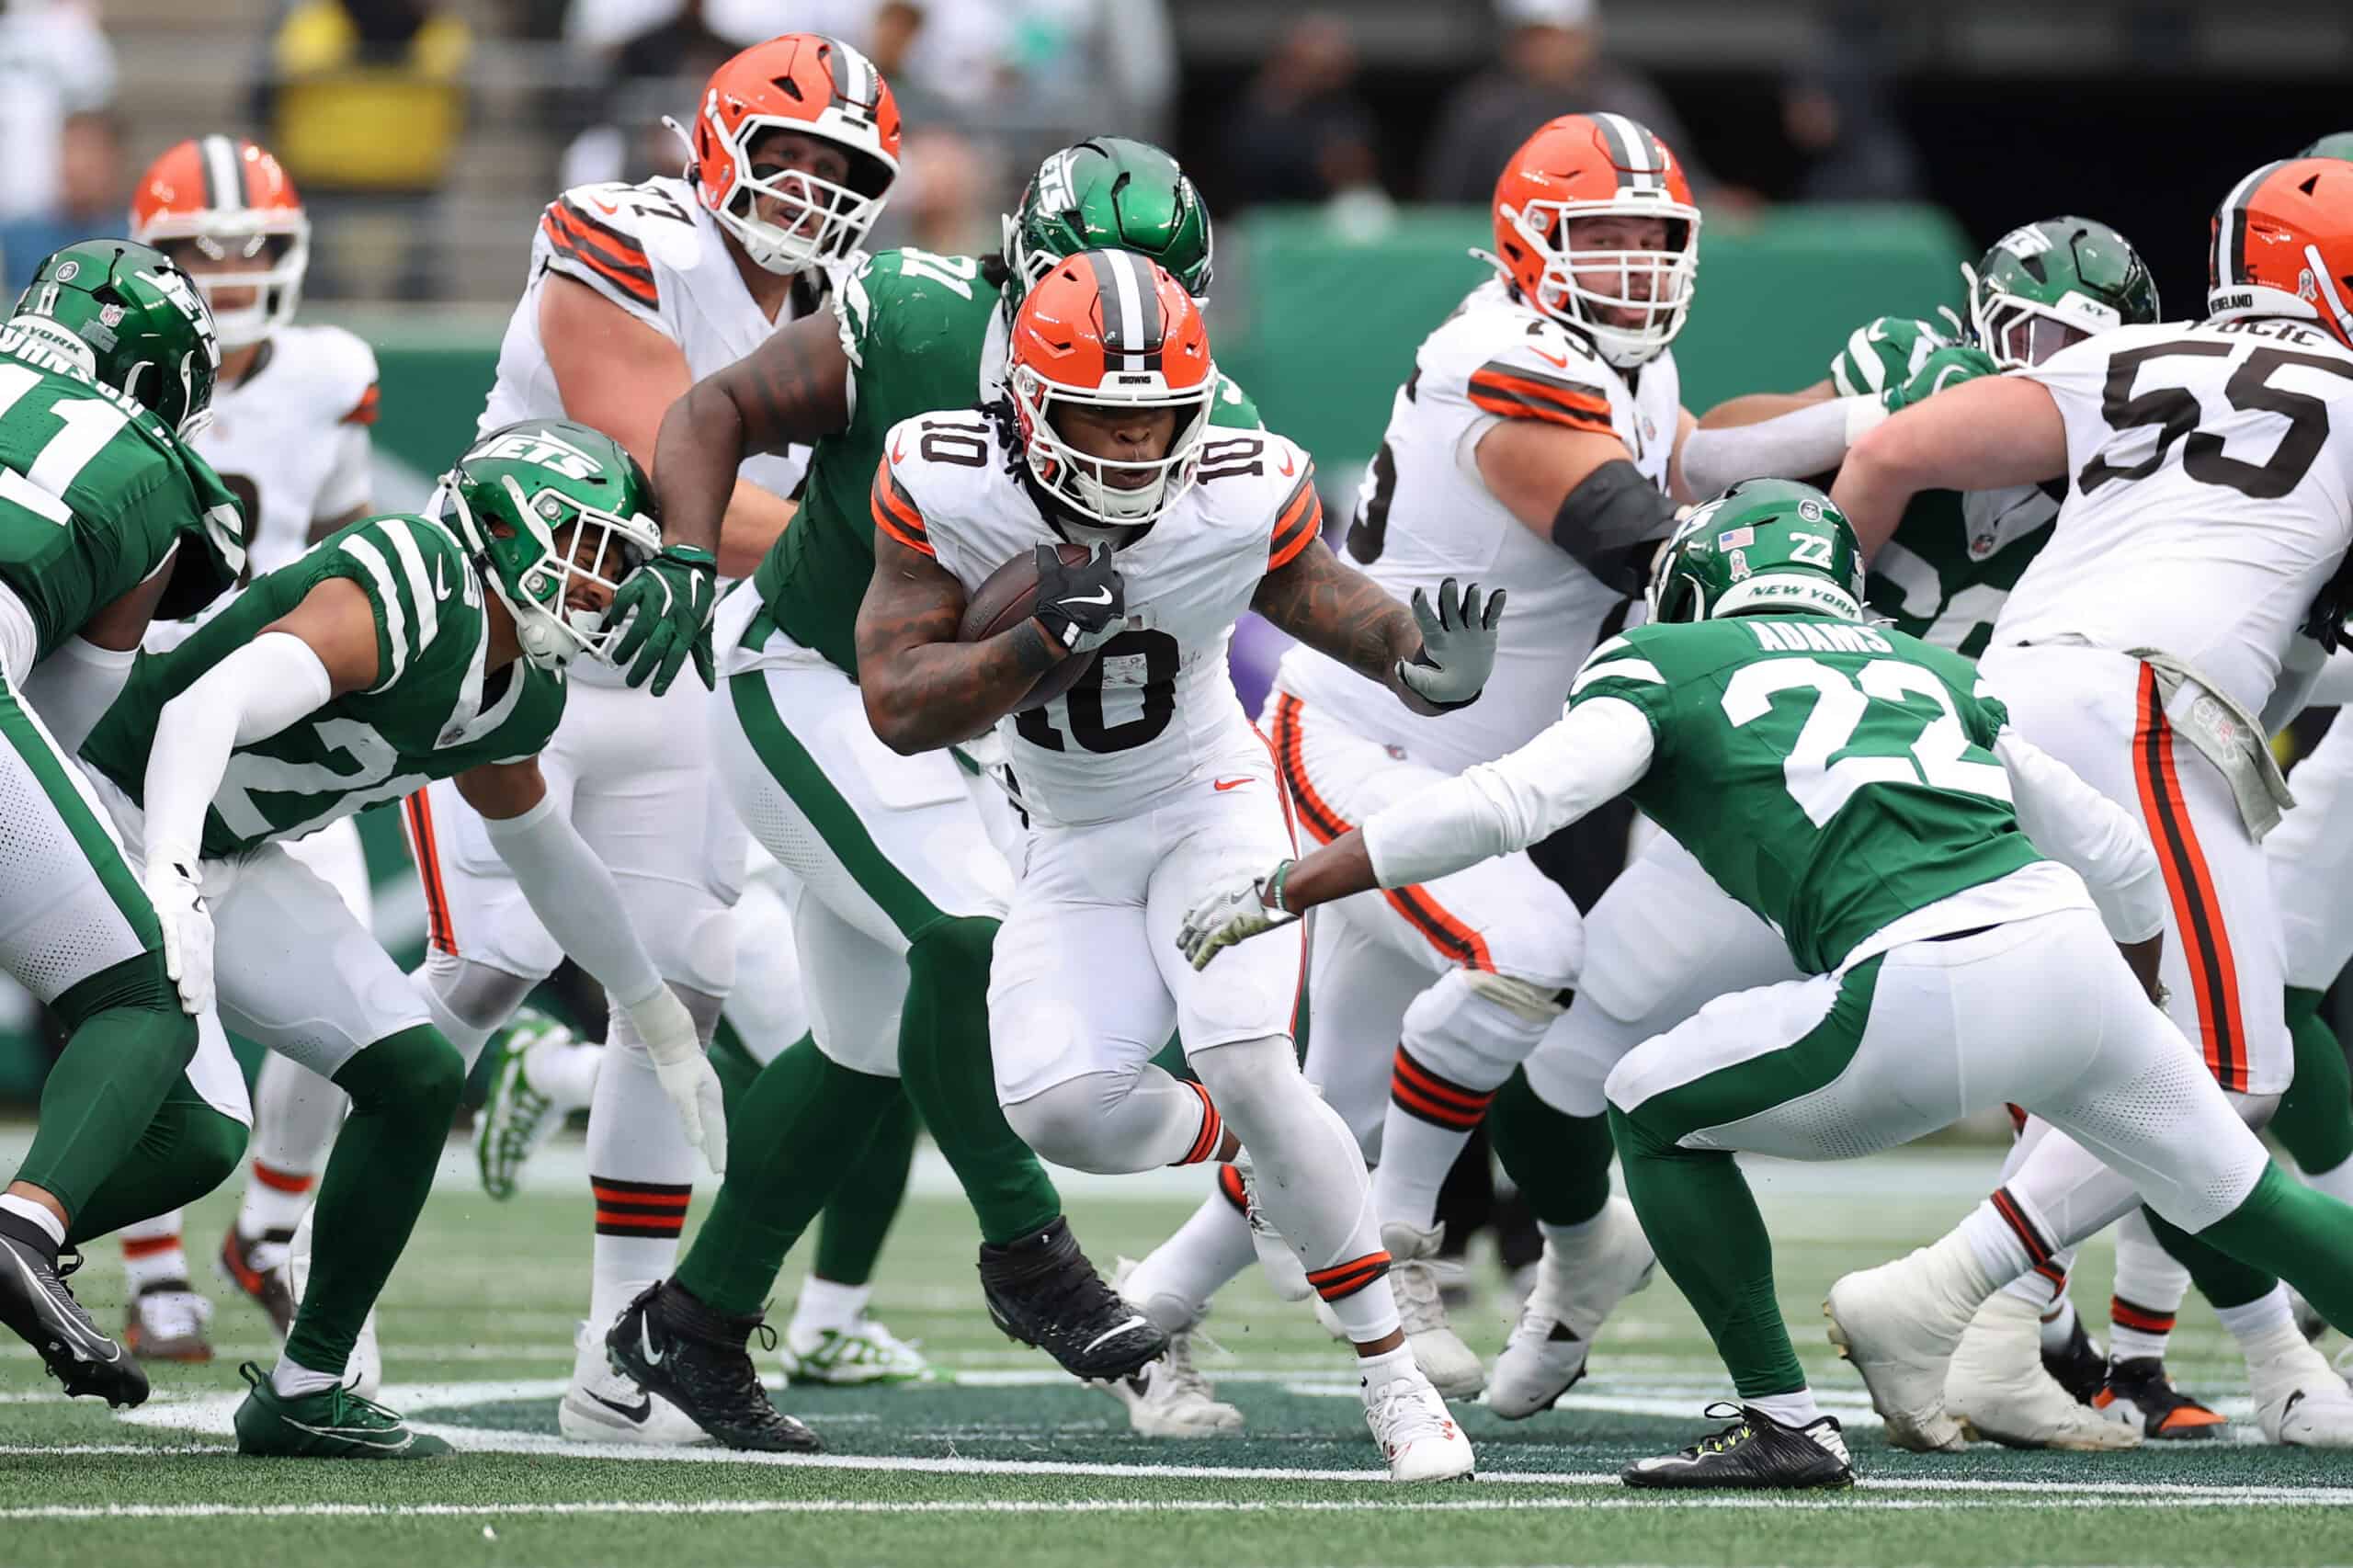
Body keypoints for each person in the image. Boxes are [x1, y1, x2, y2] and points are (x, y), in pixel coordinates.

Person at [1176, 478, 2353, 1488]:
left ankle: (1785, 1422)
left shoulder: (1667, 656)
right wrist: (2135, 999)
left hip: (1919, 973)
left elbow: (1505, 806)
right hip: (2065, 954)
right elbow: (2116, 855)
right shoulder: (1932, 666)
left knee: (1646, 1098)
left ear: (1698, 578)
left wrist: (1295, 880)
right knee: (2253, 1198)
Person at [644, 248, 1495, 1479]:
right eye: (1102, 412)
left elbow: (1313, 588)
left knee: (1247, 1053)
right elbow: (894, 698)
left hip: (1210, 800)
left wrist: (1411, 656)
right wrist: (1027, 642)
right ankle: (1266, 1145)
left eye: (1158, 414)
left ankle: (1394, 1376)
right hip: (1054, 820)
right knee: (1055, 1106)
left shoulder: (1237, 479)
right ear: (1028, 396)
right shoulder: (947, 477)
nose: (1134, 442)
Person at [1122, 111, 1867, 1416]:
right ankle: (1403, 1240)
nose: (1637, 264)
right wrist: (1799, 555)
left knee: (1331, 1108)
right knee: (1527, 953)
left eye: (1656, 237)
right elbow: (1630, 528)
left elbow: (1683, 456)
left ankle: (1140, 1320)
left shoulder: (1611, 355)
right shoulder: (1500, 358)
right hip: (1368, 738)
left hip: (1460, 768)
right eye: (1606, 237)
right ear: (1528, 243)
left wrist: (1866, 414)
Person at [585, 137, 1256, 1451]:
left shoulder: (1187, 404)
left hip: (955, 721)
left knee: (862, 1053)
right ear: (1025, 271)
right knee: (965, 930)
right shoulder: (914, 320)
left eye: (1152, 298)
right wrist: (677, 550)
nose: (1121, 352)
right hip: (804, 673)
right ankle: (1032, 1253)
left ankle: (695, 1323)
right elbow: (713, 409)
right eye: (1091, 289)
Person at [1480, 217, 2173, 1443]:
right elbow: (1712, 462)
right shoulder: (1909, 378)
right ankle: (1583, 1260)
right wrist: (1853, 425)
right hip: (1782, 806)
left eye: (2072, 349)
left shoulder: (2137, 484)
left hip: (1949, 831)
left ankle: (2030, 1326)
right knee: (1565, 1065)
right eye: (2023, 338)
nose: (2038, 371)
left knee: (2144, 1074)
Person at [399, 32, 907, 1443]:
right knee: (481, 966)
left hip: (679, 665)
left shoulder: (862, 308)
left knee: (675, 992)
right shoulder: (620, 232)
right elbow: (659, 464)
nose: (809, 188)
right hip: (520, 641)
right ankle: (306, 1263)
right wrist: (906, 563)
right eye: (788, 152)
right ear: (716, 138)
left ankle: (619, 1347)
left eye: (841, 166)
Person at [1824, 153, 2353, 1450]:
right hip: (2144, 712)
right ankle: (1935, 1296)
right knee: (2228, 1071)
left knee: (2116, 1049)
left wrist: (1832, 627)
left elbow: (1890, 448)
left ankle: (2003, 1332)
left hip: (2010, 697)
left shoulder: (2140, 355)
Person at [74, 416, 725, 1459]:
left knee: (415, 1071)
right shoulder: (416, 575)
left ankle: (307, 1382)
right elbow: (204, 707)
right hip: (103, 811)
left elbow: (546, 852)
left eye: (618, 559)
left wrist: (658, 1021)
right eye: (589, 548)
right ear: (507, 529)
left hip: (228, 849)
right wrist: (172, 880)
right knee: (192, 1133)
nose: (603, 585)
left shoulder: (523, 690)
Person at [105, 133, 384, 1369]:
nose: (224, 271)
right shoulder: (115, 362)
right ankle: (152, 1262)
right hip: (137, 705)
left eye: (250, 247)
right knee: (148, 979)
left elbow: (344, 530)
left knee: (350, 989)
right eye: (196, 251)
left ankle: (268, 1228)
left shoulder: (331, 372)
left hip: (286, 712)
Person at [0, 240, 244, 1410]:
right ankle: (27, 1225)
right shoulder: (148, 461)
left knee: (187, 1121)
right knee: (141, 997)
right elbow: (83, 719)